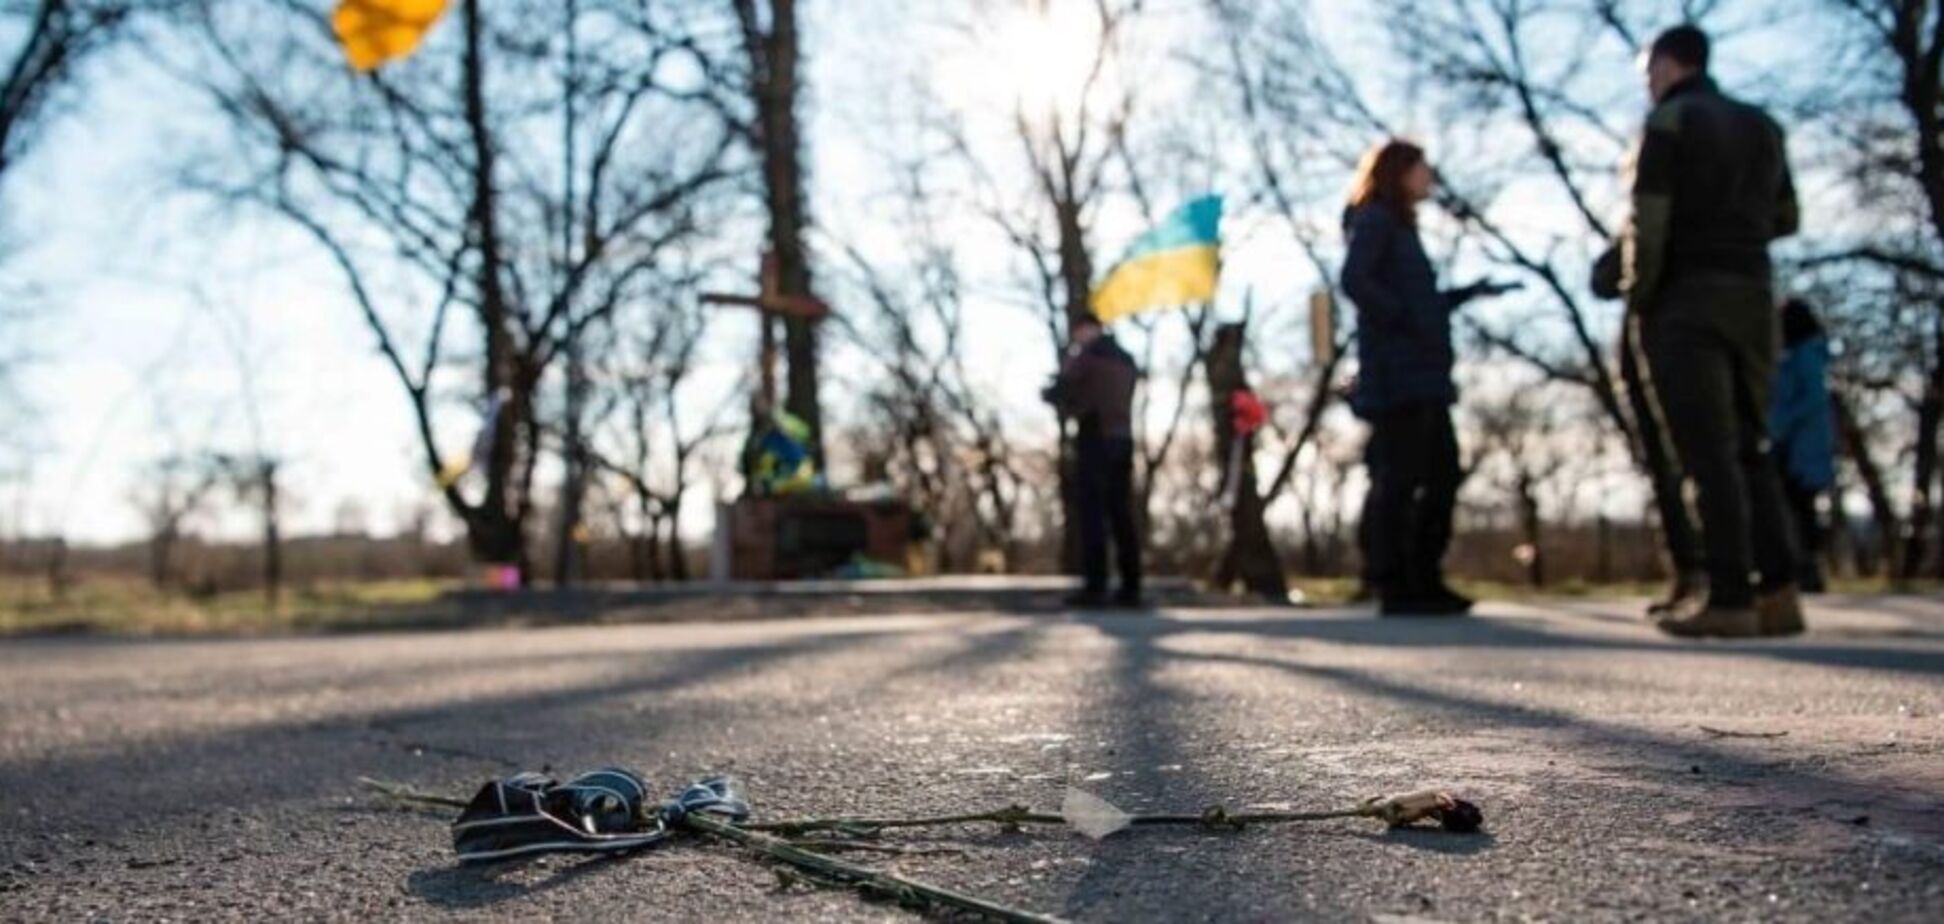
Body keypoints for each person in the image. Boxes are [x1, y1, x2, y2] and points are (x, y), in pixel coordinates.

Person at [1624, 25, 1804, 637]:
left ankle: (1729, 595)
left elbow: (1648, 221)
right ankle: (1779, 591)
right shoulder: (1762, 126)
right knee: (1752, 442)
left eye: (1650, 73)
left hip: (1687, 298)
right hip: (1753, 294)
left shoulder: (1671, 122)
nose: (1648, 85)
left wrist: (1642, 293)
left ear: (1672, 65)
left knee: (1707, 448)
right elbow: (1788, 216)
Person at [1340, 140, 1516, 616]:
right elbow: (1355, 280)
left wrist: (1468, 294)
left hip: (1424, 372)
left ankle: (1422, 576)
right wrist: (1402, 321)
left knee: (1440, 472)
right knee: (1403, 476)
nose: (1430, 177)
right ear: (1399, 172)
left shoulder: (1401, 226)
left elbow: (1420, 302)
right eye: (1423, 169)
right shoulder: (1376, 219)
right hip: (1400, 375)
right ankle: (1395, 581)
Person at [1593, 246, 1708, 616]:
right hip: (1681, 337)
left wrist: (1639, 279)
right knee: (1677, 467)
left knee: (1695, 463)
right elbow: (1601, 280)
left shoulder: (1655, 200)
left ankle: (1717, 575)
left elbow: (1606, 279)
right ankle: (1704, 573)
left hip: (1676, 340)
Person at [1045, 313, 1143, 607]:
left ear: (1087, 329)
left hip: (1095, 435)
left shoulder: (1086, 358)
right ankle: (1131, 585)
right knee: (1121, 513)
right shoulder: (1126, 360)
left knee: (1093, 513)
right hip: (1123, 437)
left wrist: (1055, 390)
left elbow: (1066, 392)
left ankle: (1096, 586)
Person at [1770, 298, 1836, 593]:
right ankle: (1799, 565)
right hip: (1794, 442)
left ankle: (1807, 566)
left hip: (1800, 445)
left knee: (1800, 506)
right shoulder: (1796, 356)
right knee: (1795, 505)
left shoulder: (1805, 355)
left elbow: (1812, 398)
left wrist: (1782, 424)